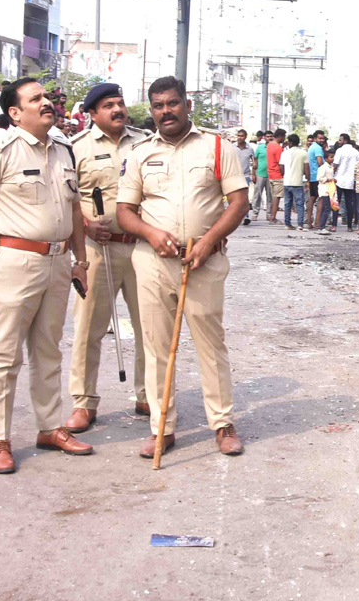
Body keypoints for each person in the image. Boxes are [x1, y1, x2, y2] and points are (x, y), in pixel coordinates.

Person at [0, 77, 94, 473]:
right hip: (14, 261)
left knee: (48, 349)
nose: (46, 103)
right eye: (36, 99)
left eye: (47, 97)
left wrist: (80, 262)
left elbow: (73, 212)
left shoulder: (65, 149)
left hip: (57, 262)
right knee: (3, 354)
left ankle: (50, 427)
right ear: (15, 112)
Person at [117, 76, 250, 459]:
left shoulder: (215, 145)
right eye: (158, 106)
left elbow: (238, 202)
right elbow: (125, 211)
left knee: (211, 343)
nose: (165, 112)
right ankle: (162, 428)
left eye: (172, 103)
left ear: (186, 104)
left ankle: (222, 424)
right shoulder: (140, 152)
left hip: (203, 262)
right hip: (154, 262)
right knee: (157, 346)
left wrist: (209, 241)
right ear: (151, 110)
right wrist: (149, 232)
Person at [64, 83, 151, 435]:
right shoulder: (76, 149)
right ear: (92, 113)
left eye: (120, 102)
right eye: (108, 105)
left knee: (151, 326)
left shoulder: (146, 141)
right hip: (98, 251)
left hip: (144, 247)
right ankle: (84, 403)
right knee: (88, 329)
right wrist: (85, 225)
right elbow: (66, 199)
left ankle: (148, 395)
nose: (118, 109)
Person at [334, 133, 359, 232]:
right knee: (350, 204)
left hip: (339, 180)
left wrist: (331, 174)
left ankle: (334, 225)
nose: (339, 142)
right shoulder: (356, 152)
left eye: (340, 140)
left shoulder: (339, 151)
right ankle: (349, 227)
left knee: (336, 202)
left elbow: (336, 165)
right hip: (350, 181)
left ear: (345, 140)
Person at [280, 133, 308, 230]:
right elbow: (306, 168)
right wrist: (308, 179)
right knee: (300, 204)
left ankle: (287, 224)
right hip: (298, 182)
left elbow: (281, 168)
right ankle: (300, 224)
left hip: (287, 181)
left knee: (287, 203)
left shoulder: (284, 153)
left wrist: (285, 175)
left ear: (290, 143)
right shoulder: (303, 153)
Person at [233, 129, 256, 226]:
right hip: (233, 176)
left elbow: (254, 161)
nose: (239, 137)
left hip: (245, 176)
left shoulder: (249, 149)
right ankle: (234, 217)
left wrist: (254, 174)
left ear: (245, 137)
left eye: (242, 136)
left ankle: (246, 216)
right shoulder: (232, 147)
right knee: (234, 198)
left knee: (244, 198)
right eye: (238, 135)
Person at [250, 131, 272, 222]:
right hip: (260, 174)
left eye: (271, 136)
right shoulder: (260, 147)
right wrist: (253, 174)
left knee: (270, 196)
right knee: (257, 195)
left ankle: (269, 214)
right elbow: (255, 160)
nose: (269, 138)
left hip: (271, 175)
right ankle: (255, 213)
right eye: (267, 136)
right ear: (264, 137)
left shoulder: (275, 147)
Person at [307, 130, 326, 228]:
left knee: (312, 198)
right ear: (315, 138)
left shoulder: (311, 147)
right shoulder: (318, 148)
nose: (321, 140)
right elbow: (320, 163)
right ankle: (317, 222)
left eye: (323, 138)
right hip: (318, 177)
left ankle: (309, 221)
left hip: (312, 176)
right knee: (321, 200)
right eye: (320, 138)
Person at [316, 149, 337, 234]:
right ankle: (321, 226)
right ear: (326, 158)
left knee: (328, 208)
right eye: (331, 157)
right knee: (326, 208)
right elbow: (319, 178)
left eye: (333, 157)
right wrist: (329, 179)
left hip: (330, 190)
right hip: (325, 190)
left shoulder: (330, 167)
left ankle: (322, 225)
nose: (332, 159)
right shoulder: (323, 167)